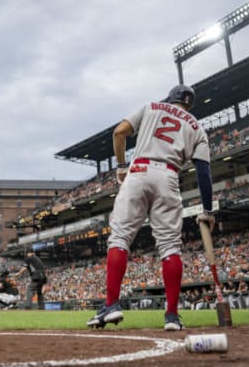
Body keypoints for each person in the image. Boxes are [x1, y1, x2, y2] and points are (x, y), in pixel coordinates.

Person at [87, 84, 214, 331]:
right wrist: (207, 211)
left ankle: (111, 306)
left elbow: (119, 132)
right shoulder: (197, 127)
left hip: (139, 170)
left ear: (171, 98)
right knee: (169, 247)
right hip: (168, 176)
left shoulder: (152, 107)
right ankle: (172, 316)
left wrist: (122, 166)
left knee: (120, 239)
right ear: (189, 104)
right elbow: (203, 171)